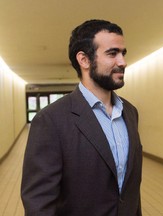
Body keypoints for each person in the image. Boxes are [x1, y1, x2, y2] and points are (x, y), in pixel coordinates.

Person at [21, 19, 143, 216]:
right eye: (112, 53)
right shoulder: (50, 120)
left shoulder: (130, 112)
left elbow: (129, 188)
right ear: (84, 60)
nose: (123, 62)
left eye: (123, 53)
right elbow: (38, 202)